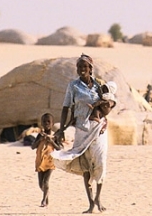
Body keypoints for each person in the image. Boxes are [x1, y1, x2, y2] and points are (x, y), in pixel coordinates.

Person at [52, 54, 110, 213]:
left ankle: (98, 197)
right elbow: (66, 107)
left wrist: (103, 107)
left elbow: (109, 102)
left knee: (100, 161)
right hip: (81, 129)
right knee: (85, 165)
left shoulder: (99, 85)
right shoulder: (73, 86)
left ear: (90, 69)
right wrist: (62, 129)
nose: (82, 70)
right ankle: (91, 202)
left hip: (99, 128)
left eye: (85, 67)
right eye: (79, 67)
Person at [31, 112, 63, 207]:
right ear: (41, 123)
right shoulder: (40, 135)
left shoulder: (54, 136)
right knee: (41, 184)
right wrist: (39, 140)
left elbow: (59, 148)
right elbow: (33, 146)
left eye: (49, 121)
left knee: (46, 181)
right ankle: (46, 196)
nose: (46, 123)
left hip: (50, 160)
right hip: (40, 161)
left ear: (53, 124)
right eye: (44, 122)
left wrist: (52, 141)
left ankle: (43, 200)